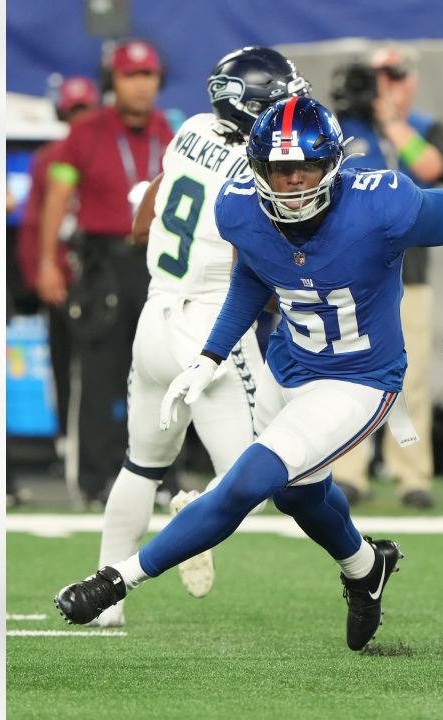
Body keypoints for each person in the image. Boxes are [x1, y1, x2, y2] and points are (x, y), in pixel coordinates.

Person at [55, 97, 443, 651]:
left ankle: (116, 579)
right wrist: (211, 355)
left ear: (331, 164)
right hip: (287, 365)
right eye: (276, 169)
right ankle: (365, 567)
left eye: (303, 168)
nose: (289, 183)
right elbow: (253, 277)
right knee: (297, 494)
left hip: (359, 377)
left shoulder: (382, 206)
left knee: (249, 479)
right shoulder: (240, 205)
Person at [88, 46, 311, 628]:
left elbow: (146, 219)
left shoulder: (187, 129)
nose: (289, 105)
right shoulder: (257, 167)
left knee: (140, 466)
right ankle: (193, 515)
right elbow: (251, 261)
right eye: (282, 95)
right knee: (253, 482)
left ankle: (106, 598)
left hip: (155, 313)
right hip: (211, 330)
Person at [35, 40, 174, 505]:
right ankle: (94, 481)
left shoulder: (171, 131)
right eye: (131, 76)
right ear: (112, 82)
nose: (141, 85)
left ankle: (159, 477)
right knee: (98, 373)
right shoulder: (87, 131)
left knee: (163, 371)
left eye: (148, 75)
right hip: (103, 265)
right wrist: (47, 261)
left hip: (158, 263)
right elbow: (58, 195)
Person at [330, 44, 443, 509]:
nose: (384, 83)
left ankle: (412, 474)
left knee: (412, 377)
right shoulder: (344, 129)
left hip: (409, 272)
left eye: (393, 75)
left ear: (410, 80)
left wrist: (390, 121)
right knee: (349, 374)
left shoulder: (423, 129)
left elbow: (432, 168)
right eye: (376, 76)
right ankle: (348, 473)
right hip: (352, 273)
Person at [17, 75, 100, 448]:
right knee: (64, 364)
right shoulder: (47, 159)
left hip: (102, 276)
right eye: (73, 110)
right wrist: (41, 273)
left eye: (85, 109)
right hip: (63, 277)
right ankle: (68, 442)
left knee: (108, 367)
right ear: (62, 113)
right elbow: (33, 223)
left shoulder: (105, 149)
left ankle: (108, 445)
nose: (80, 117)